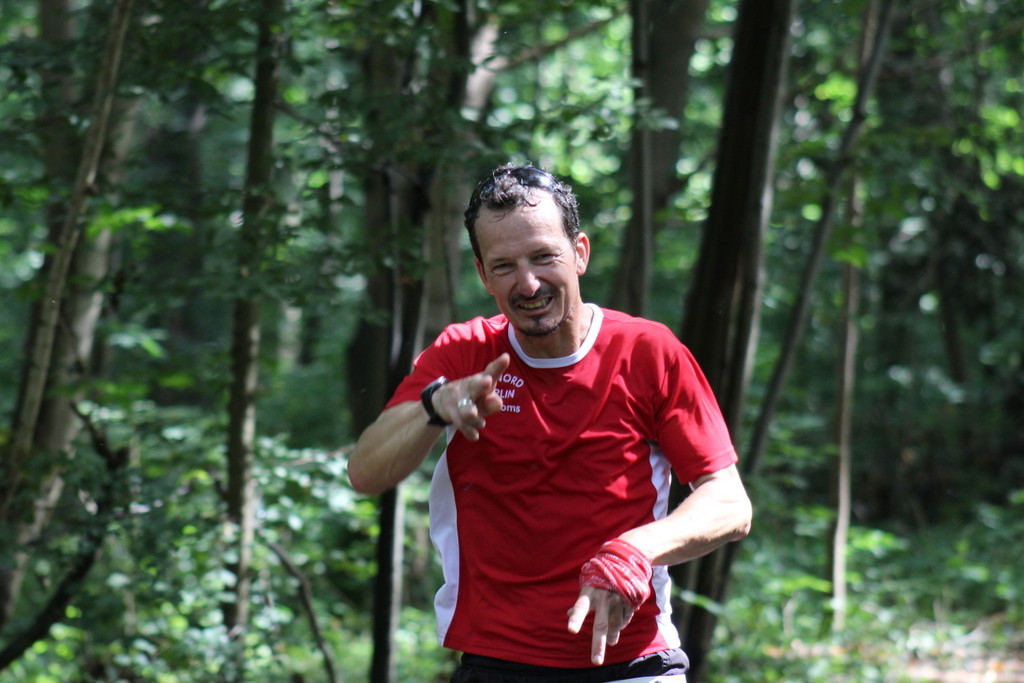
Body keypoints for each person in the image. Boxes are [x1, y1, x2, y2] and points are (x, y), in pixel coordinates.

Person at [348, 163, 752, 682]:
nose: (529, 283)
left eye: (544, 257)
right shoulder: (463, 353)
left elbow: (728, 503)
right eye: (505, 266)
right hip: (496, 663)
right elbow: (365, 472)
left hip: (634, 663)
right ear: (483, 275)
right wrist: (433, 407)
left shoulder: (648, 352)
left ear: (579, 253)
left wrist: (635, 550)